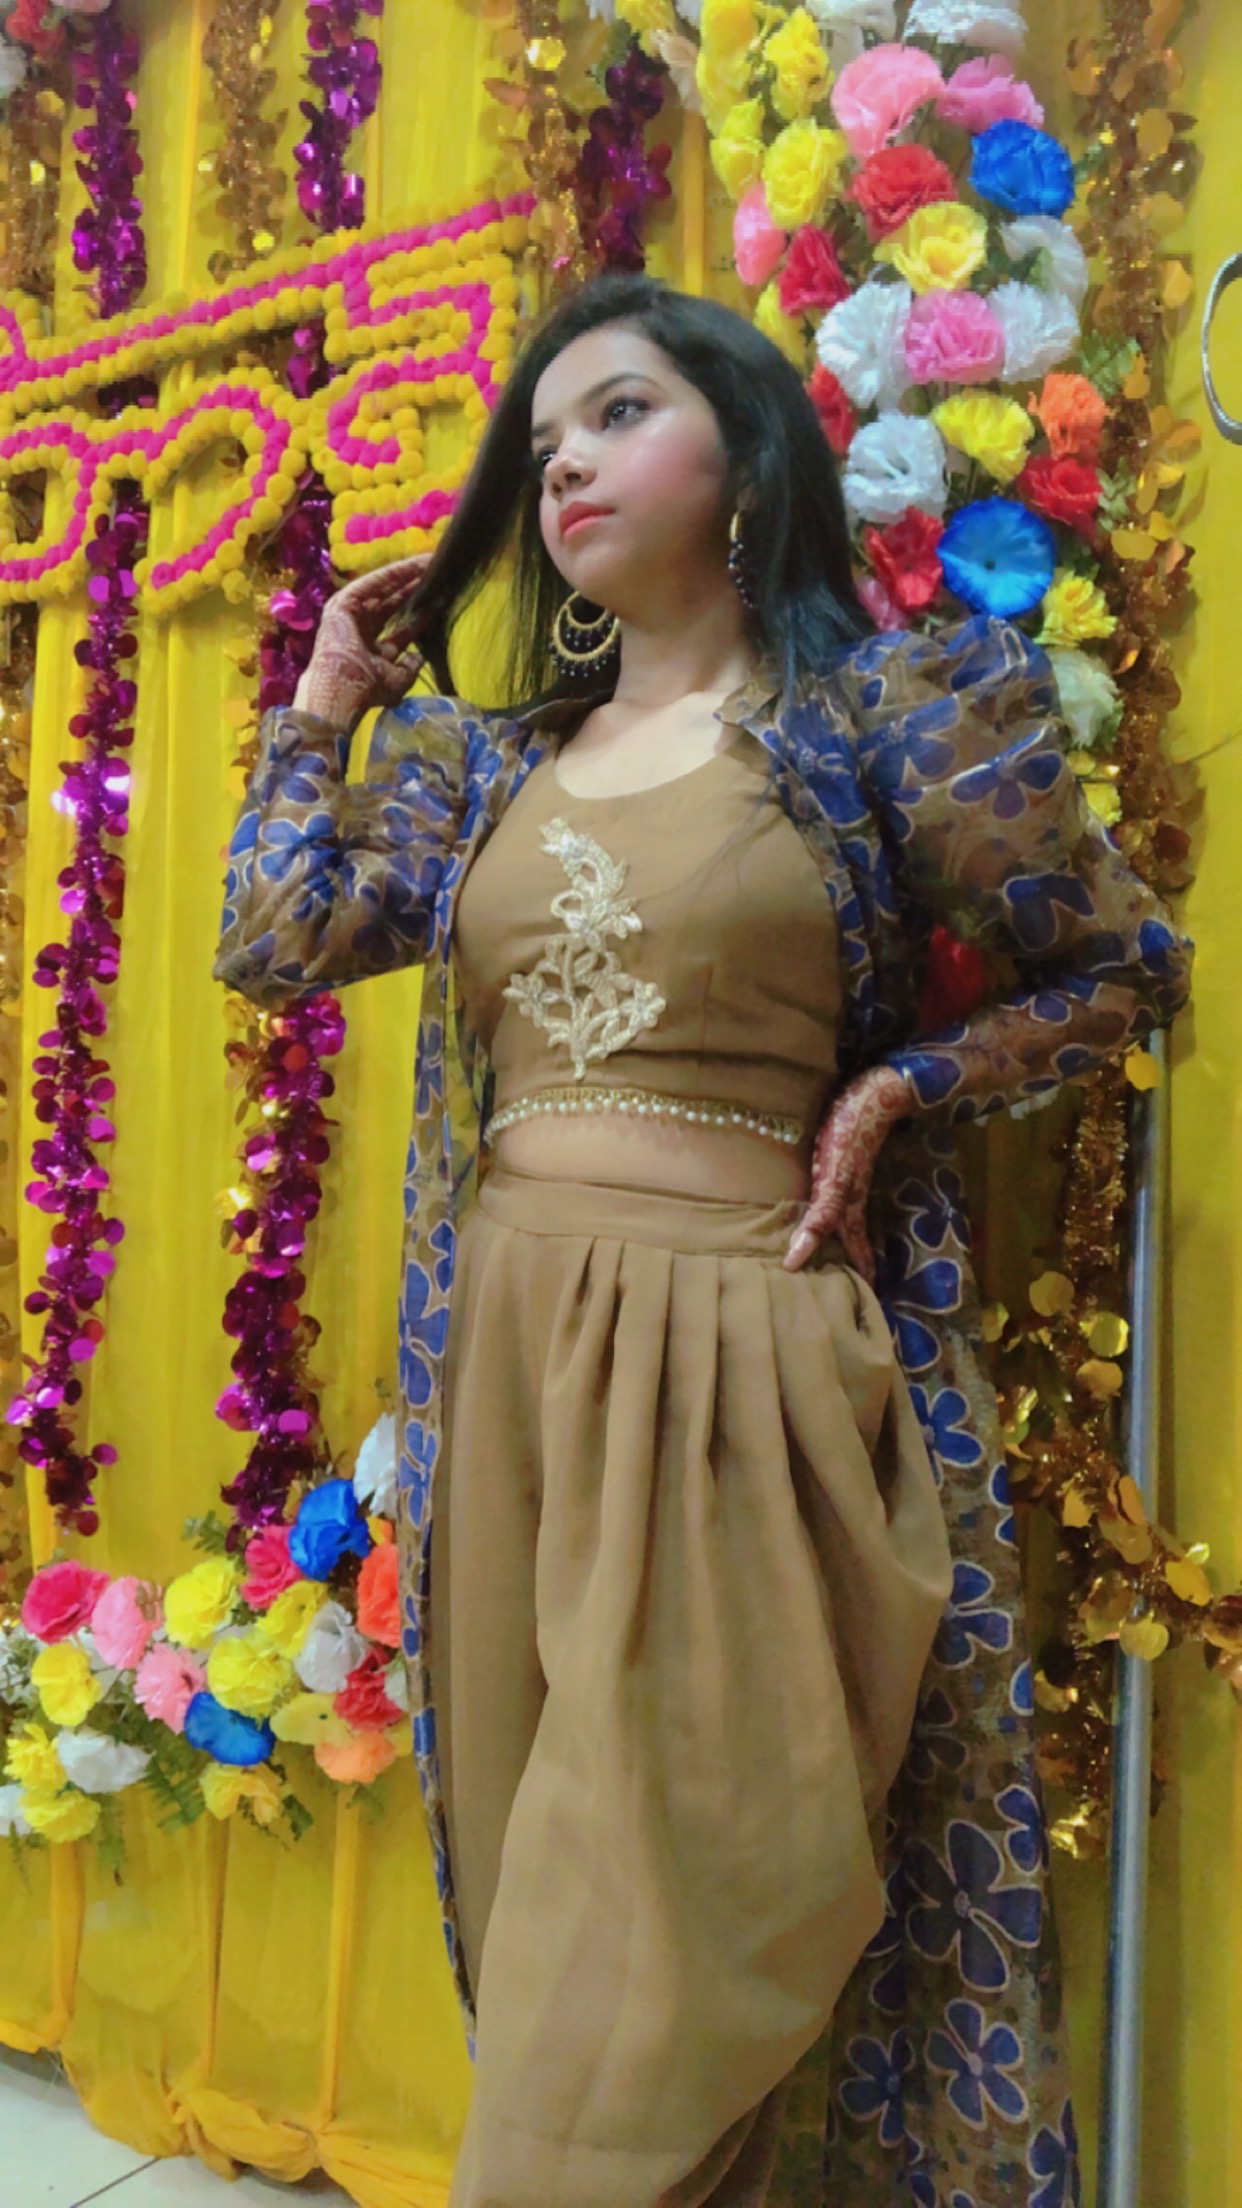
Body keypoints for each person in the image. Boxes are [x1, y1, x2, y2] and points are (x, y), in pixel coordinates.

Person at [214, 272, 1190, 2208]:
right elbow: (275, 938)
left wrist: (900, 1089)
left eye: (617, 414)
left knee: (672, 1942)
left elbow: (1117, 974)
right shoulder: (485, 765)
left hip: (743, 1368)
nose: (565, 464)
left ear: (742, 455)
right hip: (512, 1386)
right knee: (547, 1921)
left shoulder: (882, 718)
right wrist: (322, 705)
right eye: (543, 441)